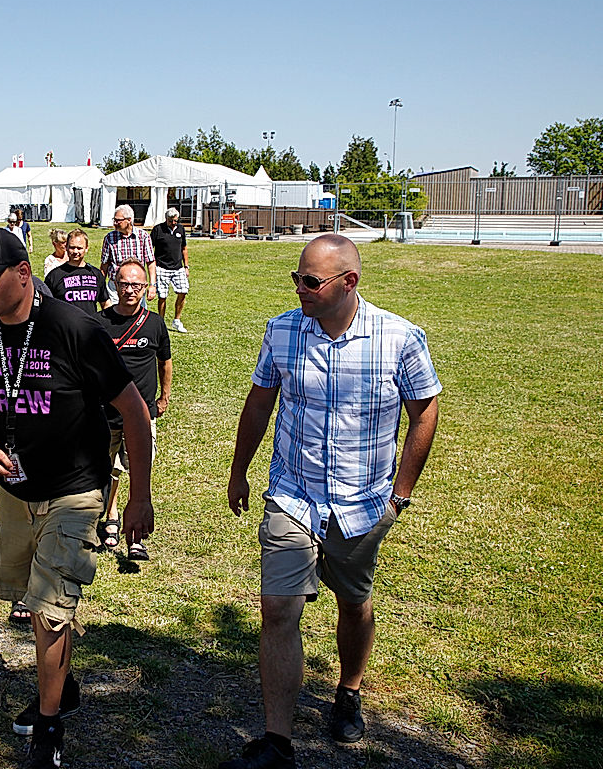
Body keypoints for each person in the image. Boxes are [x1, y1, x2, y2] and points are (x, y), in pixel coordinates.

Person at [221, 234, 441, 769]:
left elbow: (425, 410)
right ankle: (277, 744)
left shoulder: (399, 338)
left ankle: (349, 689)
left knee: (353, 602)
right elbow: (259, 403)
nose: (301, 289)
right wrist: (239, 470)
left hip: (362, 505)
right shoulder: (282, 332)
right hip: (293, 496)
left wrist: (400, 494)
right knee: (278, 608)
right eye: (297, 278)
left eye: (311, 281)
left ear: (349, 282)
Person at [0, 228, 154, 768]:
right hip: (16, 493)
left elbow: (134, 411)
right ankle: (61, 687)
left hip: (76, 490)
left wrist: (139, 497)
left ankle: (48, 727)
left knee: (49, 613)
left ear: (23, 274)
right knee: (23, 595)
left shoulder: (73, 327)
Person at [98, 260, 171, 561]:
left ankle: (136, 538)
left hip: (142, 418)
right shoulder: (99, 323)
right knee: (104, 473)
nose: (130, 290)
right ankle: (110, 517)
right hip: (104, 416)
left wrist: (164, 397)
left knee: (140, 476)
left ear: (145, 288)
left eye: (136, 285)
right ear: (115, 284)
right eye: (125, 284)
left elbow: (164, 362)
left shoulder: (154, 324)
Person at [44, 230, 110, 317]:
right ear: (66, 247)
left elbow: (105, 304)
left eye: (79, 248)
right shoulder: (54, 276)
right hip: (64, 328)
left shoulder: (96, 274)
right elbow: (45, 307)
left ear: (86, 248)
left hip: (89, 327)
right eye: (72, 247)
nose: (75, 252)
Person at [100, 205, 155, 307]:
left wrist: (152, 285)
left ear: (129, 220)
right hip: (116, 285)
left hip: (137, 285)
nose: (115, 223)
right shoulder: (109, 238)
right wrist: (100, 286)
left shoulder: (143, 236)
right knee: (116, 316)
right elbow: (104, 265)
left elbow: (150, 262)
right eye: (114, 220)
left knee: (138, 315)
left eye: (118, 220)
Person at [150, 208, 190, 333]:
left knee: (183, 291)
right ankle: (161, 323)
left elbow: (184, 248)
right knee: (162, 296)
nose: (174, 223)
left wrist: (186, 266)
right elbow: (150, 249)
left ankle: (177, 320)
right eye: (171, 221)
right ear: (166, 219)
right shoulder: (157, 230)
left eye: (175, 221)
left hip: (178, 268)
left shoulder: (180, 229)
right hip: (161, 267)